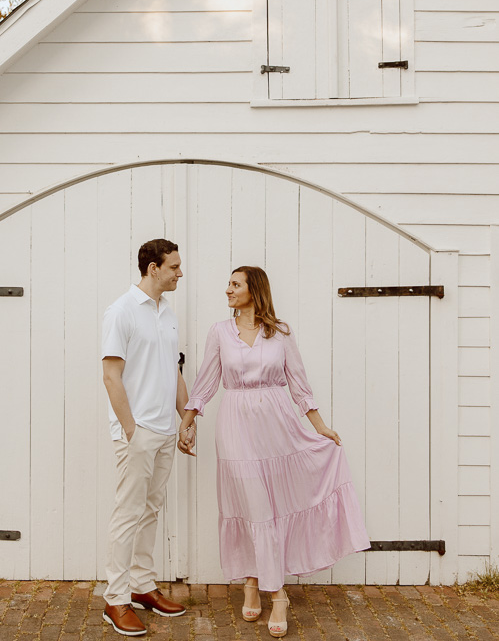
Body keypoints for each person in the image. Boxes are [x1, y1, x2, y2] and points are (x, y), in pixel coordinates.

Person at [178, 266, 370, 638]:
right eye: (229, 284)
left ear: (255, 290)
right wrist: (187, 423)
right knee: (252, 505)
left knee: (267, 506)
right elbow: (204, 383)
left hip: (277, 426)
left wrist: (320, 428)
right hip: (235, 425)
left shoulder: (280, 332)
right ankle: (275, 592)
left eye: (235, 284)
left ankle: (255, 581)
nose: (228, 290)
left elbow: (299, 384)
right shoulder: (220, 331)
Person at [101, 238, 192, 636]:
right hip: (137, 433)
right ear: (153, 268)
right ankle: (116, 599)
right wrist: (130, 429)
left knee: (151, 511)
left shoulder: (167, 312)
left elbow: (173, 371)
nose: (180, 273)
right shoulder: (121, 312)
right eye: (174, 266)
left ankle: (141, 585)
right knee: (127, 514)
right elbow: (111, 375)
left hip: (166, 431)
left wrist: (186, 422)